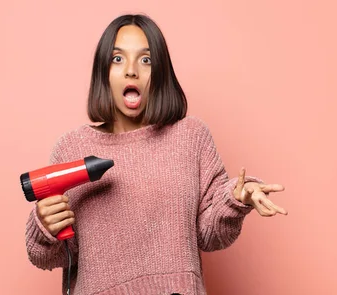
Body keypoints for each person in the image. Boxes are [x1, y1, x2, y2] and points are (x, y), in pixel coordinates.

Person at [25, 13, 288, 295]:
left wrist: (238, 199)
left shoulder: (191, 137)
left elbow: (210, 236)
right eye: (117, 59)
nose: (131, 71)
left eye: (146, 60)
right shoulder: (71, 148)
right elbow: (53, 255)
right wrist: (46, 227)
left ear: (160, 71)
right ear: (103, 72)